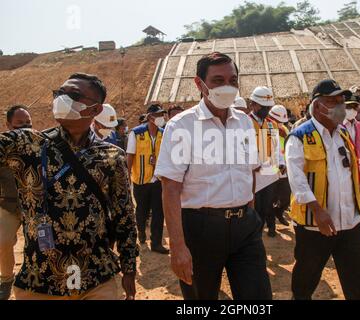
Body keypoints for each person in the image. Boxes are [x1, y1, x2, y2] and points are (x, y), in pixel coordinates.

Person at [0, 73, 138, 300]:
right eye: (59, 94)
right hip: (40, 280)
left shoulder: (112, 156)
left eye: (73, 95)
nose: (62, 99)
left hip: (98, 277)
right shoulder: (27, 144)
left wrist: (129, 267)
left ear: (95, 109)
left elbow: (124, 215)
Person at [154, 52, 272, 300]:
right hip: (200, 229)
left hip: (245, 227)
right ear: (200, 84)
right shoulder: (181, 126)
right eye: (218, 80)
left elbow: (249, 172)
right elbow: (171, 188)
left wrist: (248, 212)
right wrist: (178, 246)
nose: (227, 87)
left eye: (233, 80)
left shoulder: (243, 122)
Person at [286, 79, 360, 300]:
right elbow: (296, 179)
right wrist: (318, 210)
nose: (340, 106)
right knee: (306, 278)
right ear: (317, 106)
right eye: (332, 101)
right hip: (316, 226)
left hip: (350, 222)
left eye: (341, 101)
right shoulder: (299, 137)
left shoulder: (343, 134)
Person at [127, 104, 169, 254]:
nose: (161, 118)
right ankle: (141, 232)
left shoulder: (163, 133)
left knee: (159, 212)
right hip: (141, 180)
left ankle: (156, 242)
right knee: (142, 211)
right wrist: (127, 176)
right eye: (158, 115)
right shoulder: (136, 133)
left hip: (158, 180)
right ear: (150, 117)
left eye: (162, 115)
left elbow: (167, 154)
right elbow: (130, 155)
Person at [0, 105, 32, 300]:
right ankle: (5, 279)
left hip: (35, 207)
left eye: (28, 123)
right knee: (2, 241)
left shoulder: (39, 144)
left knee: (42, 245)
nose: (25, 127)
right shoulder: (2, 147)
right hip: (9, 205)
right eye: (20, 124)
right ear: (8, 125)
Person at [248, 86, 285, 237]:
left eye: (268, 107)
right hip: (253, 175)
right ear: (253, 105)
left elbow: (276, 147)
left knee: (266, 206)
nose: (265, 110)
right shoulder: (245, 122)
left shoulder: (271, 124)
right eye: (263, 107)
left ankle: (263, 229)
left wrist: (281, 162)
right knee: (254, 209)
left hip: (269, 173)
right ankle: (252, 235)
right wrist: (254, 164)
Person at [267, 105, 290, 228]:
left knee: (286, 196)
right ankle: (271, 226)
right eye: (278, 122)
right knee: (270, 200)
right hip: (271, 170)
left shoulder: (285, 130)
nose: (281, 124)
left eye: (282, 122)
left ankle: (279, 212)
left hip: (284, 169)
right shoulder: (266, 129)